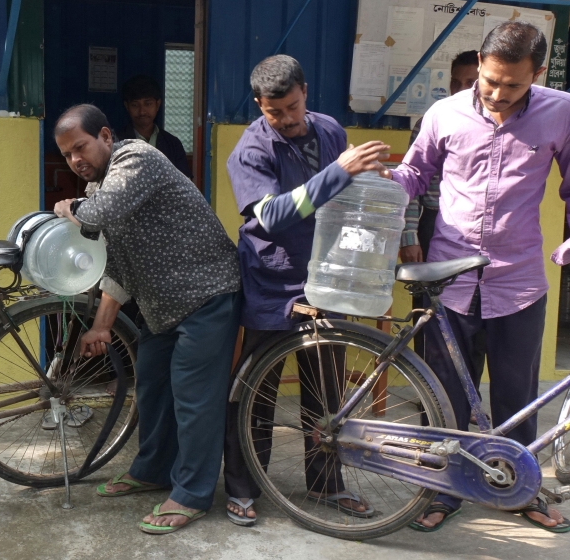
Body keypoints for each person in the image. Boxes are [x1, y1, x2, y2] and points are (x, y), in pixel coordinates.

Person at [392, 21, 570, 533]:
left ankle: (517, 490)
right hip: (448, 280)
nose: (496, 94)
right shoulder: (444, 113)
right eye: (490, 80)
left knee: (518, 396)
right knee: (443, 395)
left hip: (519, 281)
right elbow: (415, 173)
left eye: (512, 85)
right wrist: (383, 183)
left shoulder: (560, 112)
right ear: (480, 66)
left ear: (537, 74)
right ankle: (439, 492)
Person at [52, 104, 241, 534]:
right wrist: (102, 325)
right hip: (162, 307)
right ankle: (154, 469)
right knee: (152, 387)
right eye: (66, 155)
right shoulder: (101, 186)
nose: (76, 160)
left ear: (105, 136)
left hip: (207, 294)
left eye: (80, 147)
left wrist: (68, 208)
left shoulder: (135, 158)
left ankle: (191, 493)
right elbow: (118, 265)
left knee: (194, 400)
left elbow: (96, 214)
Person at [223, 54, 390, 526]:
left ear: (305, 93)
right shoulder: (251, 149)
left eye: (293, 107)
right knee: (256, 390)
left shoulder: (330, 131)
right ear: (260, 106)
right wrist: (340, 171)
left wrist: (373, 180)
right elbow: (273, 215)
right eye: (275, 112)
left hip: (327, 279)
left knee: (326, 392)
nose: (287, 119)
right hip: (272, 280)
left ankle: (326, 483)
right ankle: (242, 487)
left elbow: (346, 192)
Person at [400, 51, 489, 424]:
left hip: (480, 233)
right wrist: (409, 236)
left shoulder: (497, 122)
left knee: (477, 329)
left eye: (472, 82)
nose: (463, 89)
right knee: (434, 329)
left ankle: (466, 407)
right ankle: (434, 415)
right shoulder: (434, 119)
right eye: (457, 82)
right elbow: (411, 181)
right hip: (434, 226)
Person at [118, 75, 191, 177]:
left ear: (158, 104)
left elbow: (184, 183)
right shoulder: (116, 143)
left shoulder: (173, 144)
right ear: (127, 106)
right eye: (135, 105)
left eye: (148, 104)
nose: (142, 111)